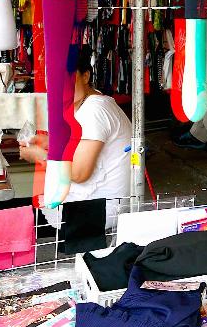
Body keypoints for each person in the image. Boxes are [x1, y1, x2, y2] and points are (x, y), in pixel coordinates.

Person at [20, 46, 132, 223]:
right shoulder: (92, 101)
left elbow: (79, 173)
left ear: (85, 76)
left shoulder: (94, 111)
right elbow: (79, 143)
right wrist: (48, 142)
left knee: (21, 218)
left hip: (98, 212)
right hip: (97, 204)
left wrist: (40, 156)